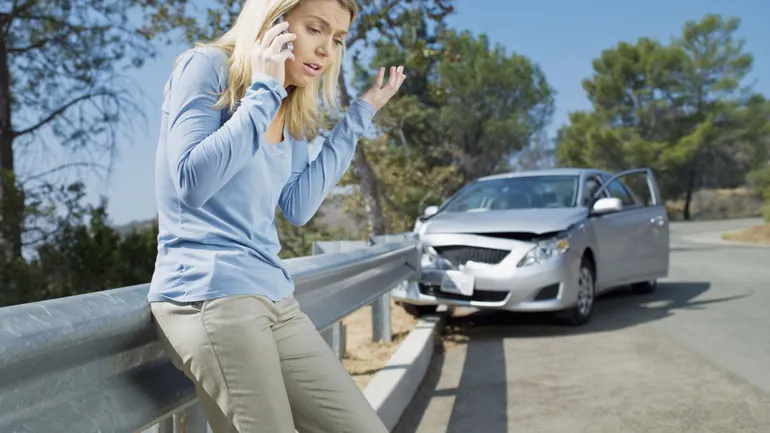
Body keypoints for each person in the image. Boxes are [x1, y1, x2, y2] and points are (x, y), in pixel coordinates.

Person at [146, 0, 406, 431]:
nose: (326, 50)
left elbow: (298, 206)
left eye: (337, 40)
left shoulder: (290, 101)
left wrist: (359, 116)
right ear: (273, 21)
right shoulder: (208, 67)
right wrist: (262, 91)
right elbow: (191, 182)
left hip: (275, 298)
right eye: (315, 29)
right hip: (211, 297)